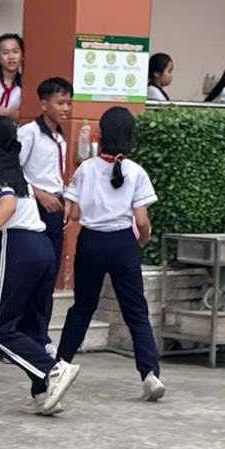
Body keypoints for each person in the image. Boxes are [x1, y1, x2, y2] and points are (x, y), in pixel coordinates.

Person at [0, 113, 78, 417]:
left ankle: (52, 370)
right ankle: (44, 392)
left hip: (18, 247)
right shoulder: (15, 172)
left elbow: (7, 206)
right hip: (41, 248)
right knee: (30, 327)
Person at [57, 106, 162, 402]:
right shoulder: (136, 172)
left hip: (90, 243)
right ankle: (150, 374)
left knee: (82, 308)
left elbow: (74, 214)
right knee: (136, 311)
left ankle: (60, 365)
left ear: (101, 135)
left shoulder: (85, 169)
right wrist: (142, 240)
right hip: (123, 245)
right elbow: (141, 220)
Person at [16, 75, 73, 348]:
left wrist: (66, 198)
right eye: (60, 103)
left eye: (68, 103)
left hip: (55, 207)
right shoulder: (28, 133)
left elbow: (57, 174)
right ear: (44, 104)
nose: (66, 108)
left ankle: (39, 334)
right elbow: (13, 169)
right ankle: (19, 333)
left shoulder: (60, 136)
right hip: (33, 207)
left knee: (49, 273)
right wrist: (38, 193)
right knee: (30, 271)